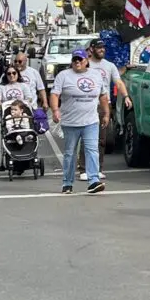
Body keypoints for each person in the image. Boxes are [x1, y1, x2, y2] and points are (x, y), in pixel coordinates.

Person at [50, 49, 109, 195]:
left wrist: (106, 113)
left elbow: (102, 95)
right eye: (75, 59)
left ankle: (93, 180)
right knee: (70, 153)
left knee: (92, 150)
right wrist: (55, 110)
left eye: (80, 59)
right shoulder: (63, 76)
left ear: (86, 60)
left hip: (91, 121)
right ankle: (67, 183)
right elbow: (55, 94)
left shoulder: (96, 75)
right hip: (70, 122)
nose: (77, 62)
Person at [76, 38, 134, 181]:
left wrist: (126, 96)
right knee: (87, 137)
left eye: (103, 48)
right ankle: (83, 169)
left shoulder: (109, 66)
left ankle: (98, 168)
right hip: (88, 103)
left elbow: (118, 82)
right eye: (99, 47)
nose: (102, 50)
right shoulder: (85, 64)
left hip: (104, 104)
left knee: (102, 139)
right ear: (92, 49)